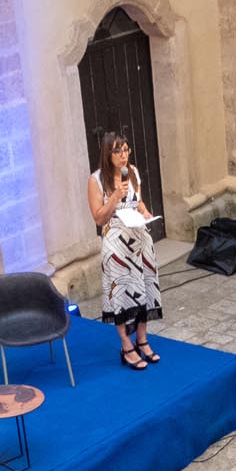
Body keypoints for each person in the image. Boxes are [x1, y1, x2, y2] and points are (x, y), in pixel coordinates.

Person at [88, 131, 163, 368]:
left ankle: (142, 339)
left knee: (145, 287)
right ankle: (125, 345)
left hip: (139, 238)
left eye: (126, 150)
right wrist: (114, 198)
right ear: (107, 154)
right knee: (120, 292)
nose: (124, 155)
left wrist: (146, 212)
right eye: (118, 151)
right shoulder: (96, 180)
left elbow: (137, 202)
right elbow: (99, 218)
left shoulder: (133, 172)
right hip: (116, 242)